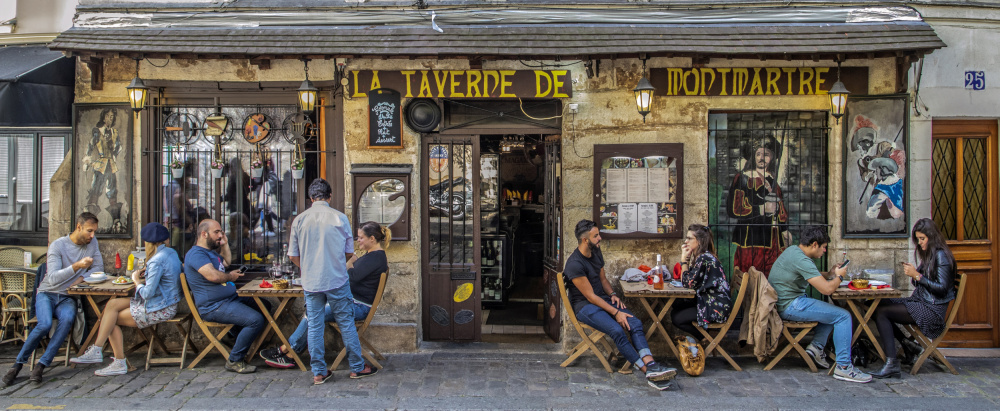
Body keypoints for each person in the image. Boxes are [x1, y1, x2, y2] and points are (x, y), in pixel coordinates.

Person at [261, 221, 390, 370]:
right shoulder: (372, 256)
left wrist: (350, 262)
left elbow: (348, 277)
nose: (358, 240)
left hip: (358, 307)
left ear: (372, 239)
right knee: (313, 311)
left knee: (314, 312)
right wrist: (350, 263)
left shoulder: (375, 258)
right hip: (352, 303)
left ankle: (286, 351)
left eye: (361, 237)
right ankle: (290, 354)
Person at [564, 219, 676, 391]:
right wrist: (616, 313)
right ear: (585, 240)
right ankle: (648, 371)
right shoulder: (574, 264)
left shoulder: (596, 252)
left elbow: (602, 280)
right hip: (586, 307)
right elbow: (591, 296)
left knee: (635, 323)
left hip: (603, 299)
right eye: (596, 236)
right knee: (617, 330)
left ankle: (651, 364)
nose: (600, 238)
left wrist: (613, 294)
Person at [285, 179, 377, 385]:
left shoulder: (299, 220)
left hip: (311, 281)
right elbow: (348, 252)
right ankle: (357, 367)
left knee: (314, 324)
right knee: (346, 323)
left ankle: (318, 371)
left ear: (311, 198)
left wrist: (307, 268)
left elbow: (293, 255)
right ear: (330, 196)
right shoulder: (340, 218)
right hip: (336, 279)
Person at [2, 212, 104, 386]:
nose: (92, 235)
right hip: (47, 293)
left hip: (67, 297)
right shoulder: (58, 246)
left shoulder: (92, 243)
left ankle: (41, 365)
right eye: (89, 231)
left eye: (94, 231)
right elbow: (54, 278)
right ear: (78, 227)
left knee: (67, 319)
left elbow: (99, 267)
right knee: (45, 324)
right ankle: (17, 365)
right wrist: (76, 266)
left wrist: (79, 279)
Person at [70, 223, 182, 376]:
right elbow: (164, 279)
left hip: (160, 308)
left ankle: (119, 362)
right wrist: (147, 274)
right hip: (166, 301)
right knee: (112, 304)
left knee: (110, 320)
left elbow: (148, 294)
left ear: (147, 243)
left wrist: (136, 280)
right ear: (166, 240)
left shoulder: (156, 260)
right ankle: (97, 349)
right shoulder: (171, 253)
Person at [768, 225, 870, 383]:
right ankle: (843, 367)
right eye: (823, 248)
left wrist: (830, 274)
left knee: (832, 313)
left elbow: (811, 275)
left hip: (784, 303)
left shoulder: (794, 251)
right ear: (814, 244)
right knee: (843, 316)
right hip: (790, 306)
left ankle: (816, 347)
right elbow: (827, 290)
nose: (824, 251)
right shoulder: (801, 259)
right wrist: (840, 277)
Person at [870, 218, 956, 379]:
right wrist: (915, 274)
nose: (920, 243)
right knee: (877, 304)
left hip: (932, 310)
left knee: (882, 312)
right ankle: (908, 345)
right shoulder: (930, 255)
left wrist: (917, 275)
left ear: (932, 237)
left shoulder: (941, 256)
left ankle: (892, 364)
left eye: (922, 239)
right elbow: (919, 282)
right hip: (921, 302)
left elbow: (942, 289)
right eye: (917, 239)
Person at [183, 219, 265, 374]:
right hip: (213, 306)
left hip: (228, 299)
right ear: (204, 234)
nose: (220, 235)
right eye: (217, 232)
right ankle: (234, 360)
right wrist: (230, 277)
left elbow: (226, 262)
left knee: (264, 306)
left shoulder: (210, 253)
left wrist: (225, 244)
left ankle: (232, 335)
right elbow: (213, 276)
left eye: (221, 232)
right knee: (255, 320)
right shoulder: (196, 254)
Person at [726, 134, 791, 277]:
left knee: (772, 280)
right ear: (753, 156)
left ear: (772, 157)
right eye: (758, 154)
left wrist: (784, 229)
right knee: (751, 280)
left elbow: (781, 211)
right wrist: (762, 209)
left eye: (766, 154)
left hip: (773, 240)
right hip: (751, 240)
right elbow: (735, 208)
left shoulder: (773, 181)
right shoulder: (743, 178)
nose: (762, 158)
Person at [670, 224, 732, 340]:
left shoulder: (704, 258)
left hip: (715, 307)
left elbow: (688, 283)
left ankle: (705, 338)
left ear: (699, 241)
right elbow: (691, 281)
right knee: (677, 305)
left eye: (689, 238)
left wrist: (684, 261)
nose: (685, 241)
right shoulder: (701, 256)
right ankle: (705, 335)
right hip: (707, 301)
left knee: (677, 318)